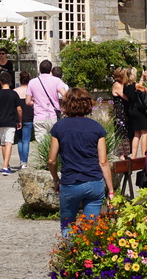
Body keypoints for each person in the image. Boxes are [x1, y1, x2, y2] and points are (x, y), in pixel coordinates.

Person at [47, 87, 113, 234]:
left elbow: (51, 160)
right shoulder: (97, 128)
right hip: (94, 181)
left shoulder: (59, 127)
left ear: (66, 105)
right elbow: (103, 162)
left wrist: (56, 179)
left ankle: (69, 254)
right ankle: (87, 255)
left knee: (67, 226)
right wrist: (111, 190)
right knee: (90, 228)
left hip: (70, 182)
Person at [29, 59, 68, 142]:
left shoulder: (32, 82)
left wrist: (36, 102)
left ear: (39, 69)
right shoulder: (57, 81)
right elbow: (65, 96)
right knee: (55, 142)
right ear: (50, 70)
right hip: (53, 115)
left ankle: (43, 156)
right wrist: (64, 109)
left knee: (41, 143)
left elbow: (28, 101)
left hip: (39, 116)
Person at [0, 71, 22, 174]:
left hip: (0, 120)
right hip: (11, 121)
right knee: (9, 142)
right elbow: (19, 109)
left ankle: (6, 164)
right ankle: (5, 166)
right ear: (10, 82)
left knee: (3, 143)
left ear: (0, 82)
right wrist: (20, 120)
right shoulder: (13, 94)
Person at [122, 67, 147, 158]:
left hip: (131, 110)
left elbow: (137, 87)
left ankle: (134, 157)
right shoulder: (136, 85)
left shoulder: (126, 86)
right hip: (139, 110)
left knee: (136, 134)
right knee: (144, 133)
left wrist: (142, 78)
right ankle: (144, 155)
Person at [15, 70, 35, 170]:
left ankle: (21, 160)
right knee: (26, 140)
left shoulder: (15, 91)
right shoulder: (31, 91)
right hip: (29, 117)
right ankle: (25, 162)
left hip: (18, 118)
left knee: (20, 140)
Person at [110, 67, 130, 158]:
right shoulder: (117, 85)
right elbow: (126, 97)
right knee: (121, 133)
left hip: (124, 112)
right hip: (120, 113)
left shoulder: (122, 84)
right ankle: (121, 155)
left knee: (126, 133)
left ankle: (125, 154)